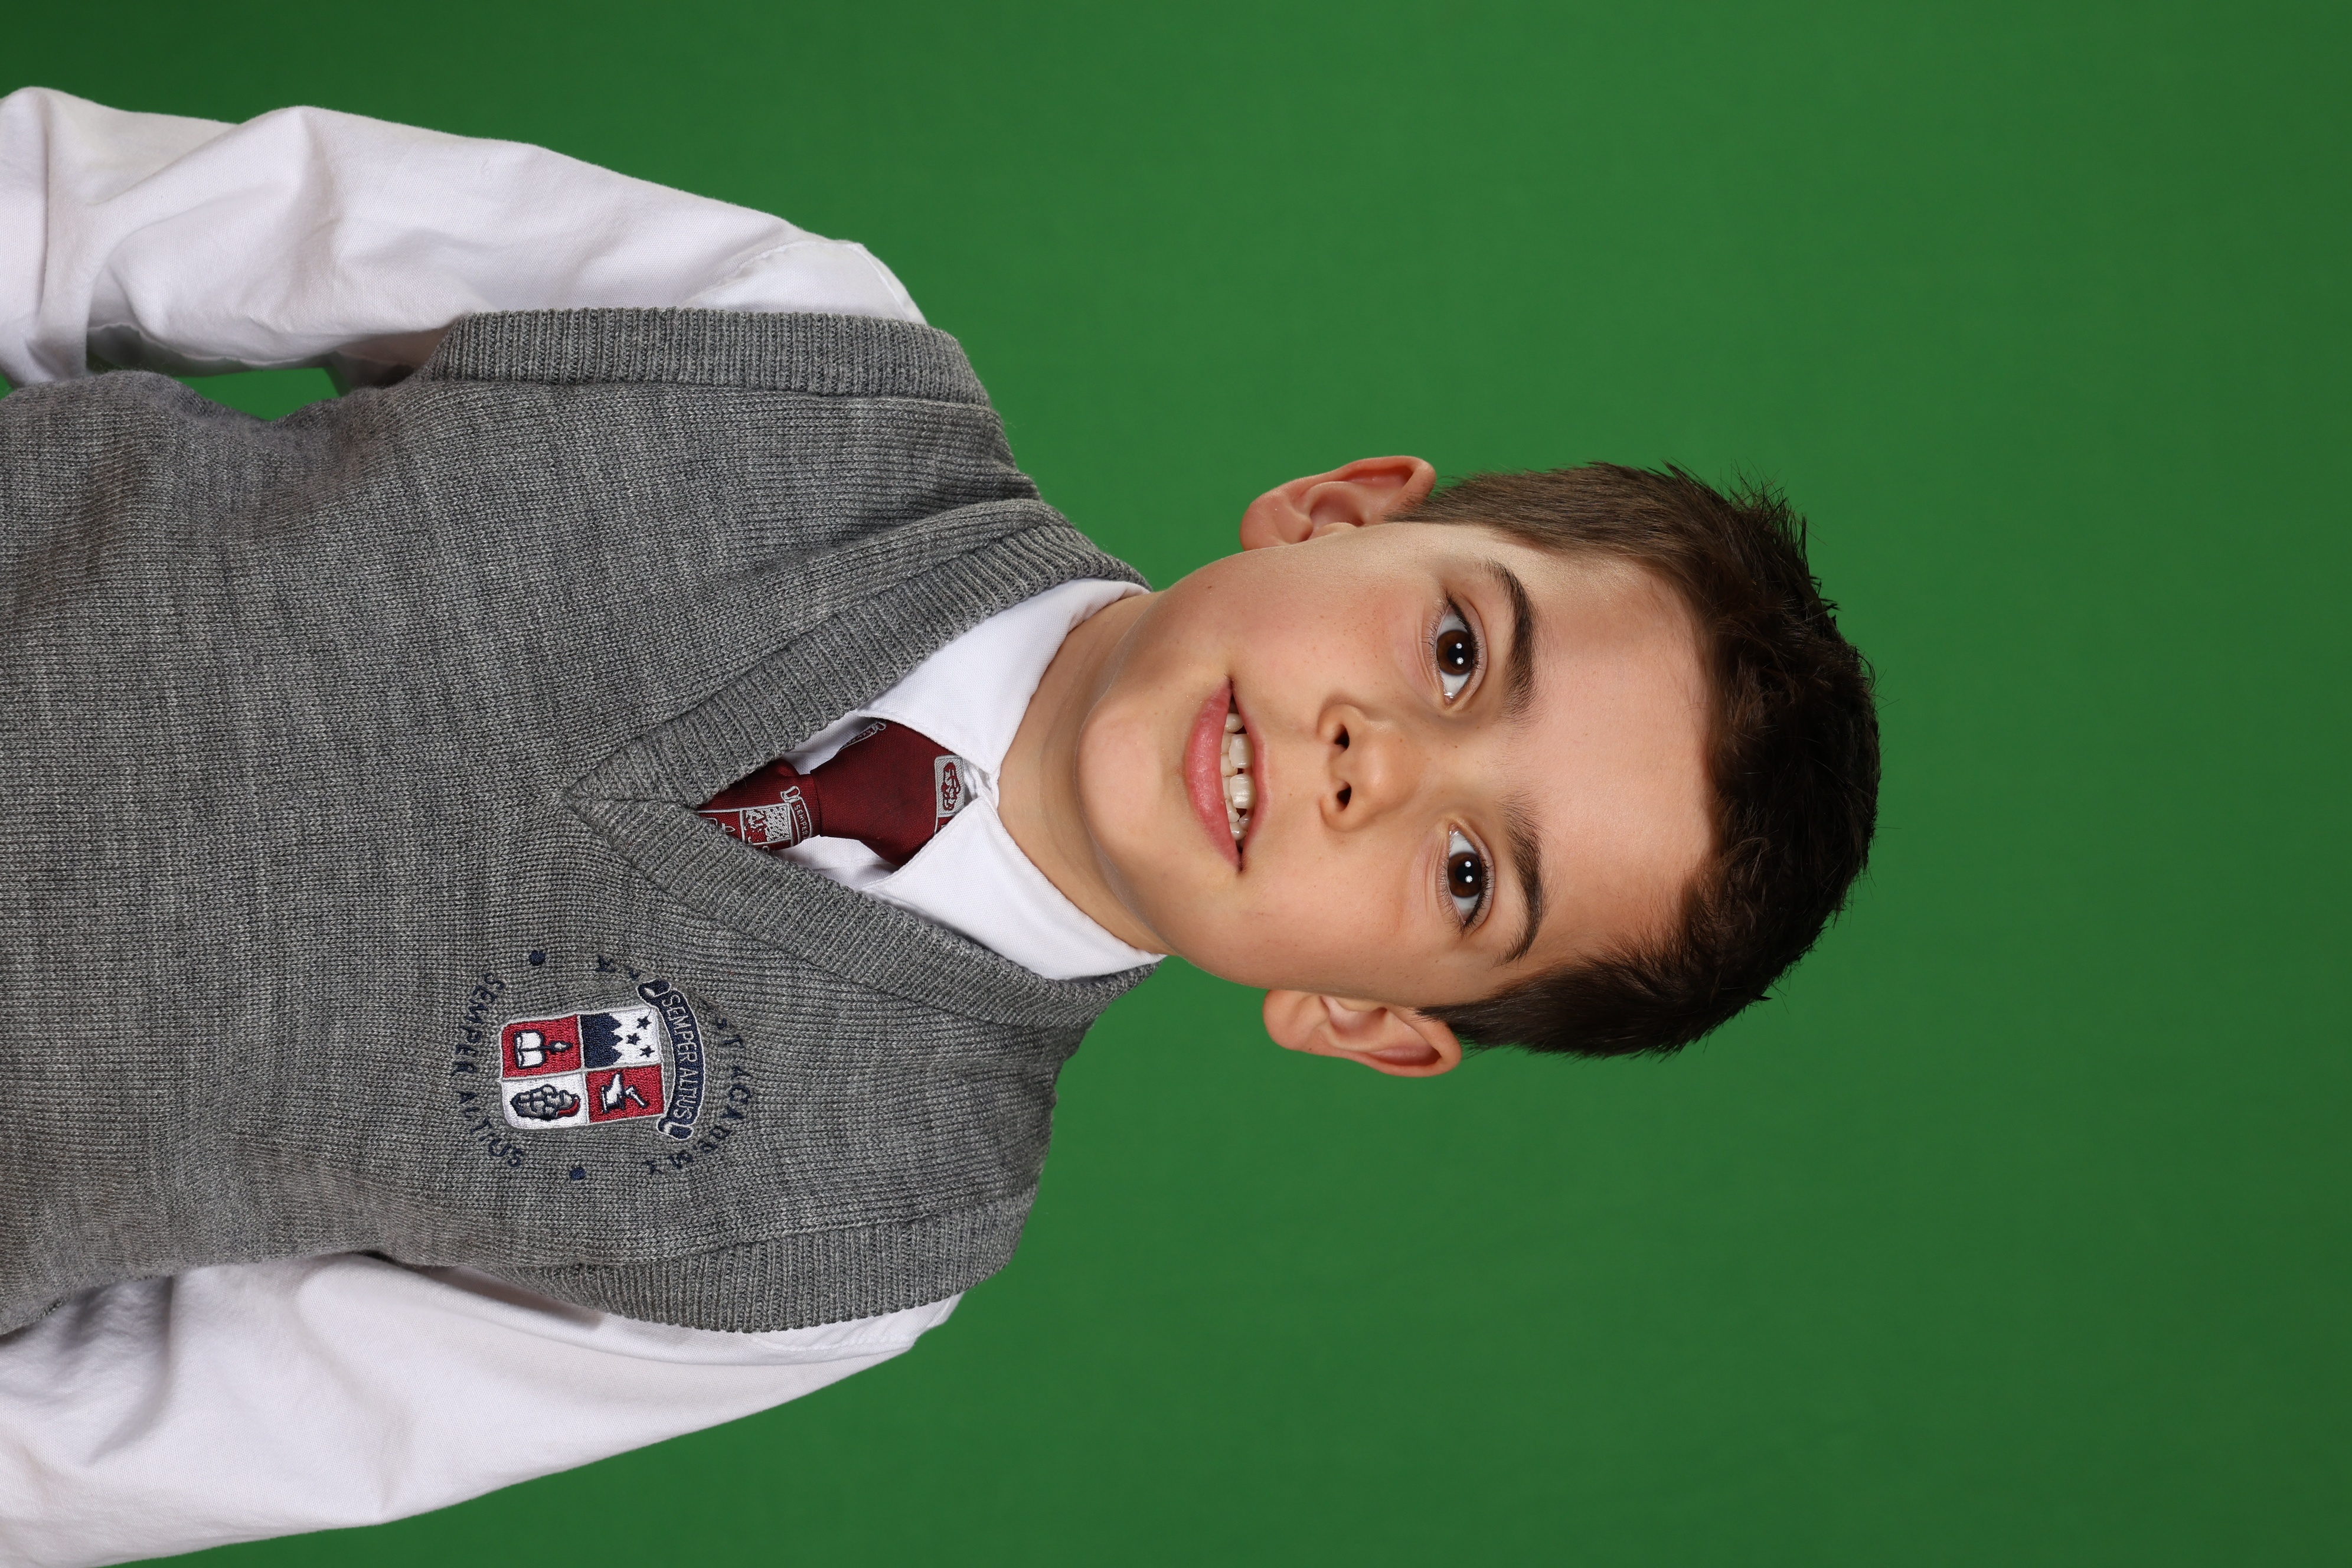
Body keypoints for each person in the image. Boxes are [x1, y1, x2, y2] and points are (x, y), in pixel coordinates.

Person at [0, 87, 1877, 1567]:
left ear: (1365, 1018)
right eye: (1459, 652)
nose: (1368, 763)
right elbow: (123, 223)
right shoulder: (792, 342)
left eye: (1469, 874)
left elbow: (159, 1438)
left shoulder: (853, 1244)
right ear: (1342, 511)